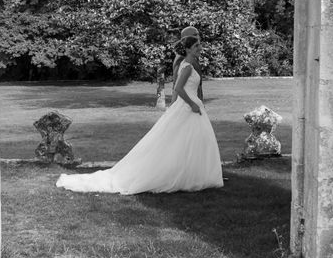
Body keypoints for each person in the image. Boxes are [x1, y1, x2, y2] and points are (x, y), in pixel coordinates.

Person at [56, 30, 223, 195]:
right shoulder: (186, 66)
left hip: (192, 107)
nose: (200, 48)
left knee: (192, 142)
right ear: (187, 49)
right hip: (188, 107)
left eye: (199, 45)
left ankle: (193, 175)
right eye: (196, 46)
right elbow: (178, 88)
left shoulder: (191, 64)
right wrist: (192, 104)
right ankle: (180, 176)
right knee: (178, 141)